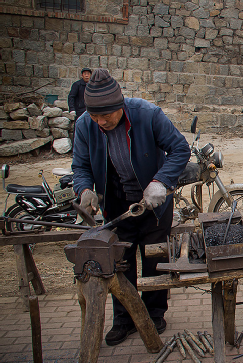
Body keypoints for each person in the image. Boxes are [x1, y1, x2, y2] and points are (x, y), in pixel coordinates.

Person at [72, 69, 190, 346]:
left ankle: (154, 313)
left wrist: (161, 182)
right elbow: (80, 166)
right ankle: (124, 319)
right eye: (95, 116)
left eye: (107, 116)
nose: (101, 122)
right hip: (116, 205)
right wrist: (85, 189)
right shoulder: (84, 125)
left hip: (155, 204)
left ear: (120, 106)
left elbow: (180, 149)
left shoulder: (147, 114)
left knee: (154, 259)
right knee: (119, 263)